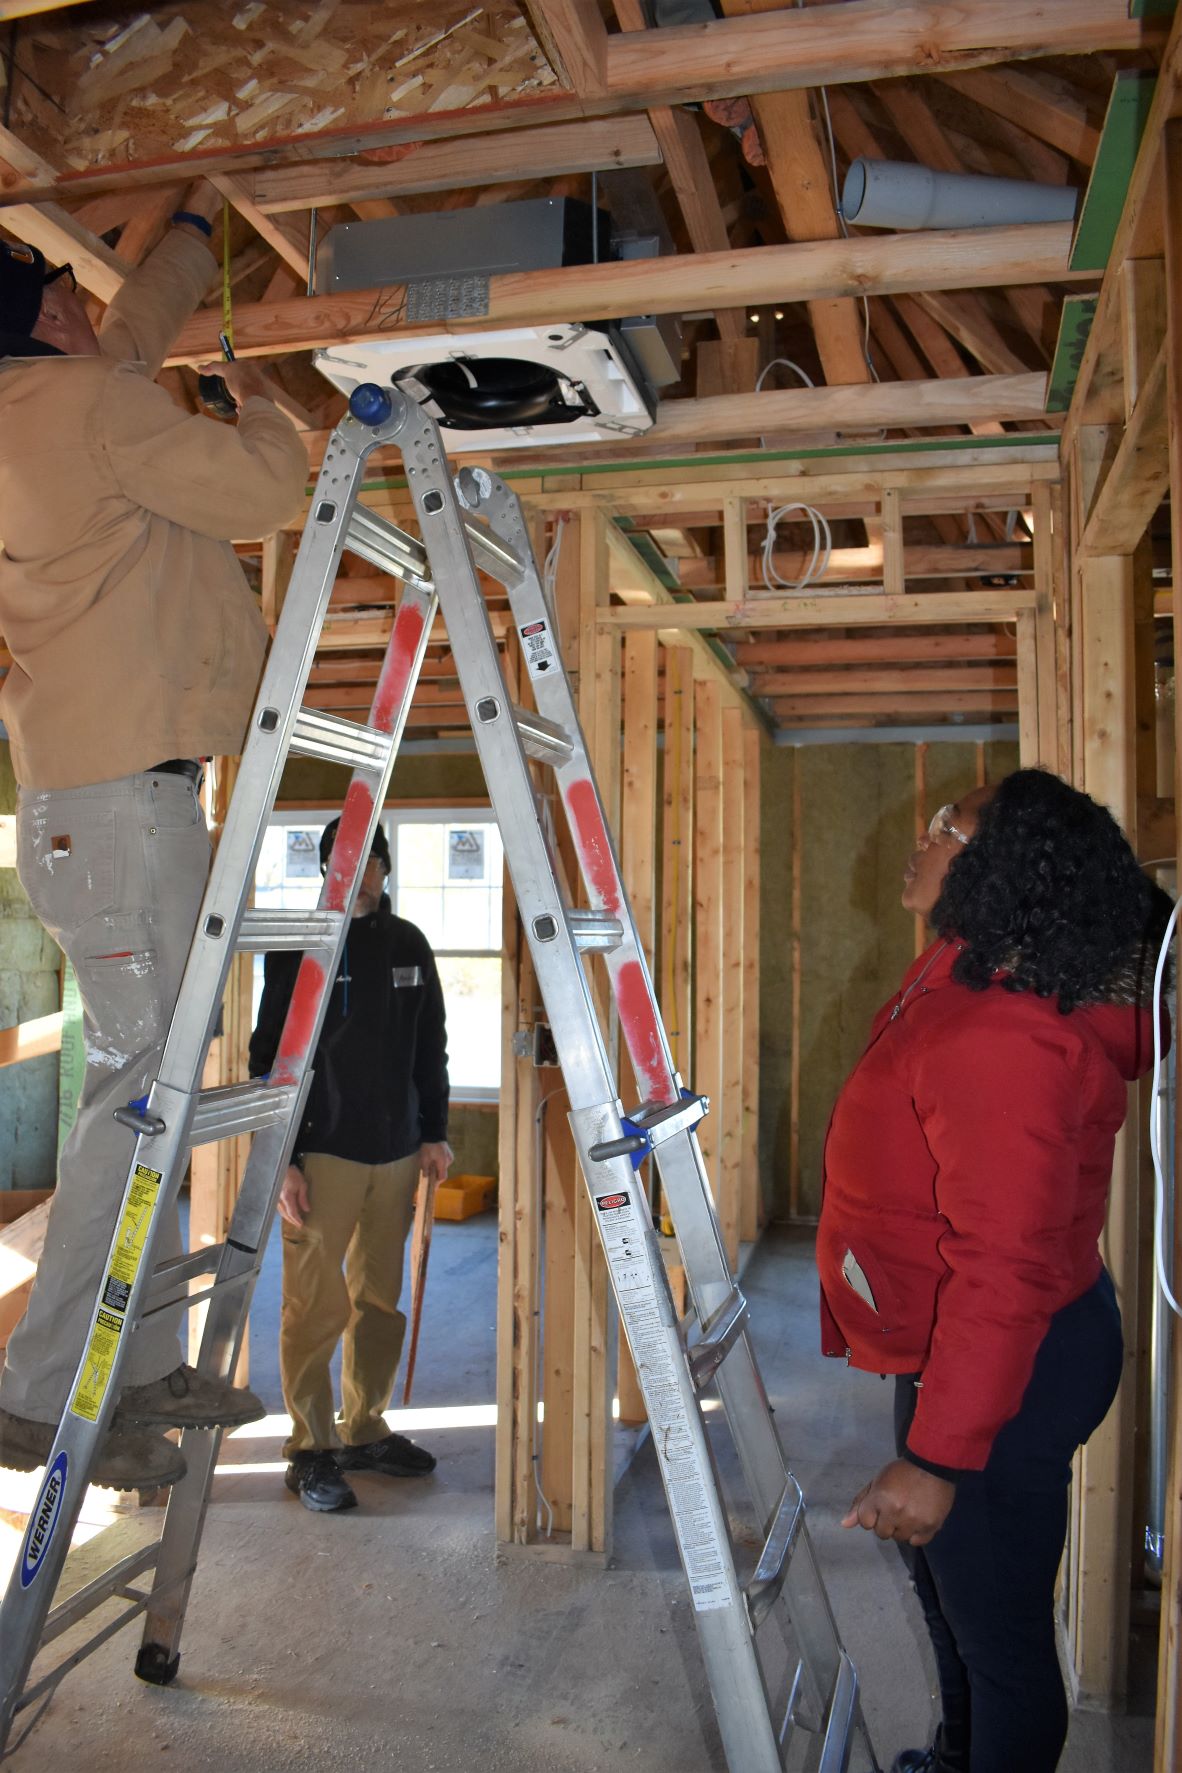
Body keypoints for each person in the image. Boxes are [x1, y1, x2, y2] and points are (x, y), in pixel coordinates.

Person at [0, 187, 309, 1491]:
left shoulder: (51, 402)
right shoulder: (90, 406)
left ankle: (131, 1378)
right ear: (42, 324)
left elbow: (125, 335)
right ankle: (35, 1393)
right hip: (124, 806)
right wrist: (264, 405)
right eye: (64, 293)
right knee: (140, 1095)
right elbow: (268, 488)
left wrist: (189, 233)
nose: (86, 302)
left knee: (152, 1093)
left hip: (95, 806)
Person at [817, 768, 1170, 1773]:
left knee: (998, 1638)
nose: (921, 838)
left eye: (946, 828)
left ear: (1002, 870)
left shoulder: (1003, 1033)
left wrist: (938, 1461)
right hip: (971, 1347)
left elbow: (1005, 1267)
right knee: (952, 1598)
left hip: (1006, 1363)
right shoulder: (973, 969)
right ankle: (955, 1756)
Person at [249, 818, 452, 1513]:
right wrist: (281, 1159)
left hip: (396, 1153)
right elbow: (269, 1055)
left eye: (370, 859)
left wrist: (435, 1133)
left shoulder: (408, 944)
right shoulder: (299, 944)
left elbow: (430, 1046)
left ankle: (364, 1429)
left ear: (385, 868)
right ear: (325, 867)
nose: (359, 871)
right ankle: (309, 1448)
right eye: (345, 858)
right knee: (313, 1303)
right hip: (323, 1154)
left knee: (379, 1301)